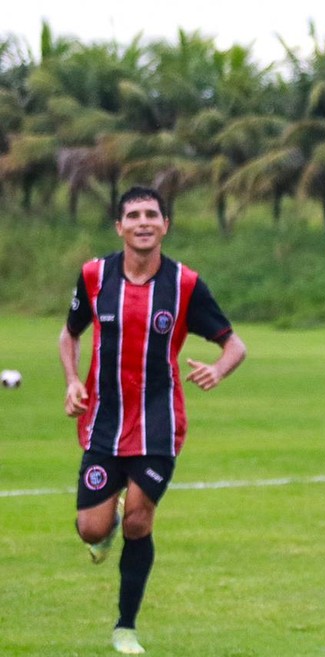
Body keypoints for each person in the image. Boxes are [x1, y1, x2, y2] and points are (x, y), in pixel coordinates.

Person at [59, 185, 247, 655]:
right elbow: (69, 334)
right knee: (91, 529)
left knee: (139, 522)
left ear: (165, 225)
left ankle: (126, 627)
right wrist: (72, 381)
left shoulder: (184, 284)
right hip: (103, 423)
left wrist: (218, 370)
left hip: (159, 424)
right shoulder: (95, 275)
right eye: (134, 215)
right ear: (119, 227)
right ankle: (106, 527)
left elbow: (235, 345)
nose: (143, 222)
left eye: (151, 215)